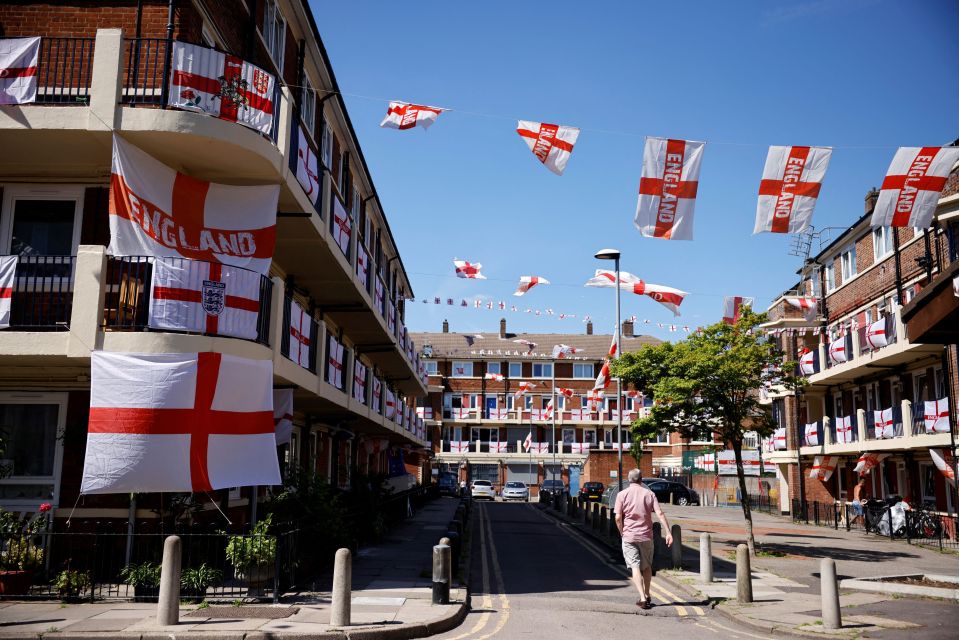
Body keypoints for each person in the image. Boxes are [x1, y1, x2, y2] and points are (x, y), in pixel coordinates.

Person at [614, 469, 672, 610]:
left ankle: (642, 598)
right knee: (646, 566)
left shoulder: (621, 495)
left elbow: (617, 517)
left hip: (629, 536)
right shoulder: (649, 494)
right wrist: (668, 532)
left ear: (629, 480)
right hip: (646, 536)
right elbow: (659, 513)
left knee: (635, 566)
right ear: (641, 480)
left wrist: (622, 531)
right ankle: (647, 593)